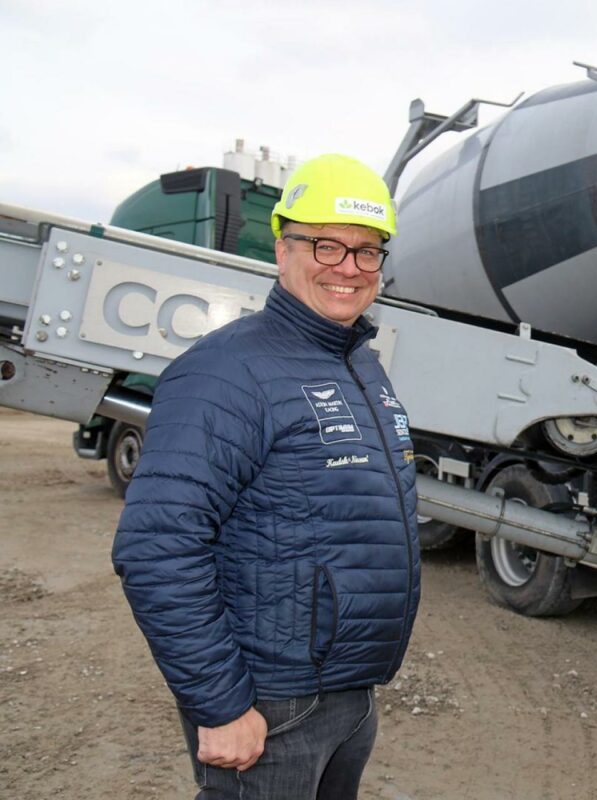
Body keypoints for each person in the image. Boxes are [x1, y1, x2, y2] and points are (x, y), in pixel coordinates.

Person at [112, 153, 420, 799]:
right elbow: (156, 546)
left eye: (368, 253)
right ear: (282, 250)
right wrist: (220, 704)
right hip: (269, 702)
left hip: (347, 696)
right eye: (326, 245)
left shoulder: (361, 364)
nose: (349, 267)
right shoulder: (227, 372)